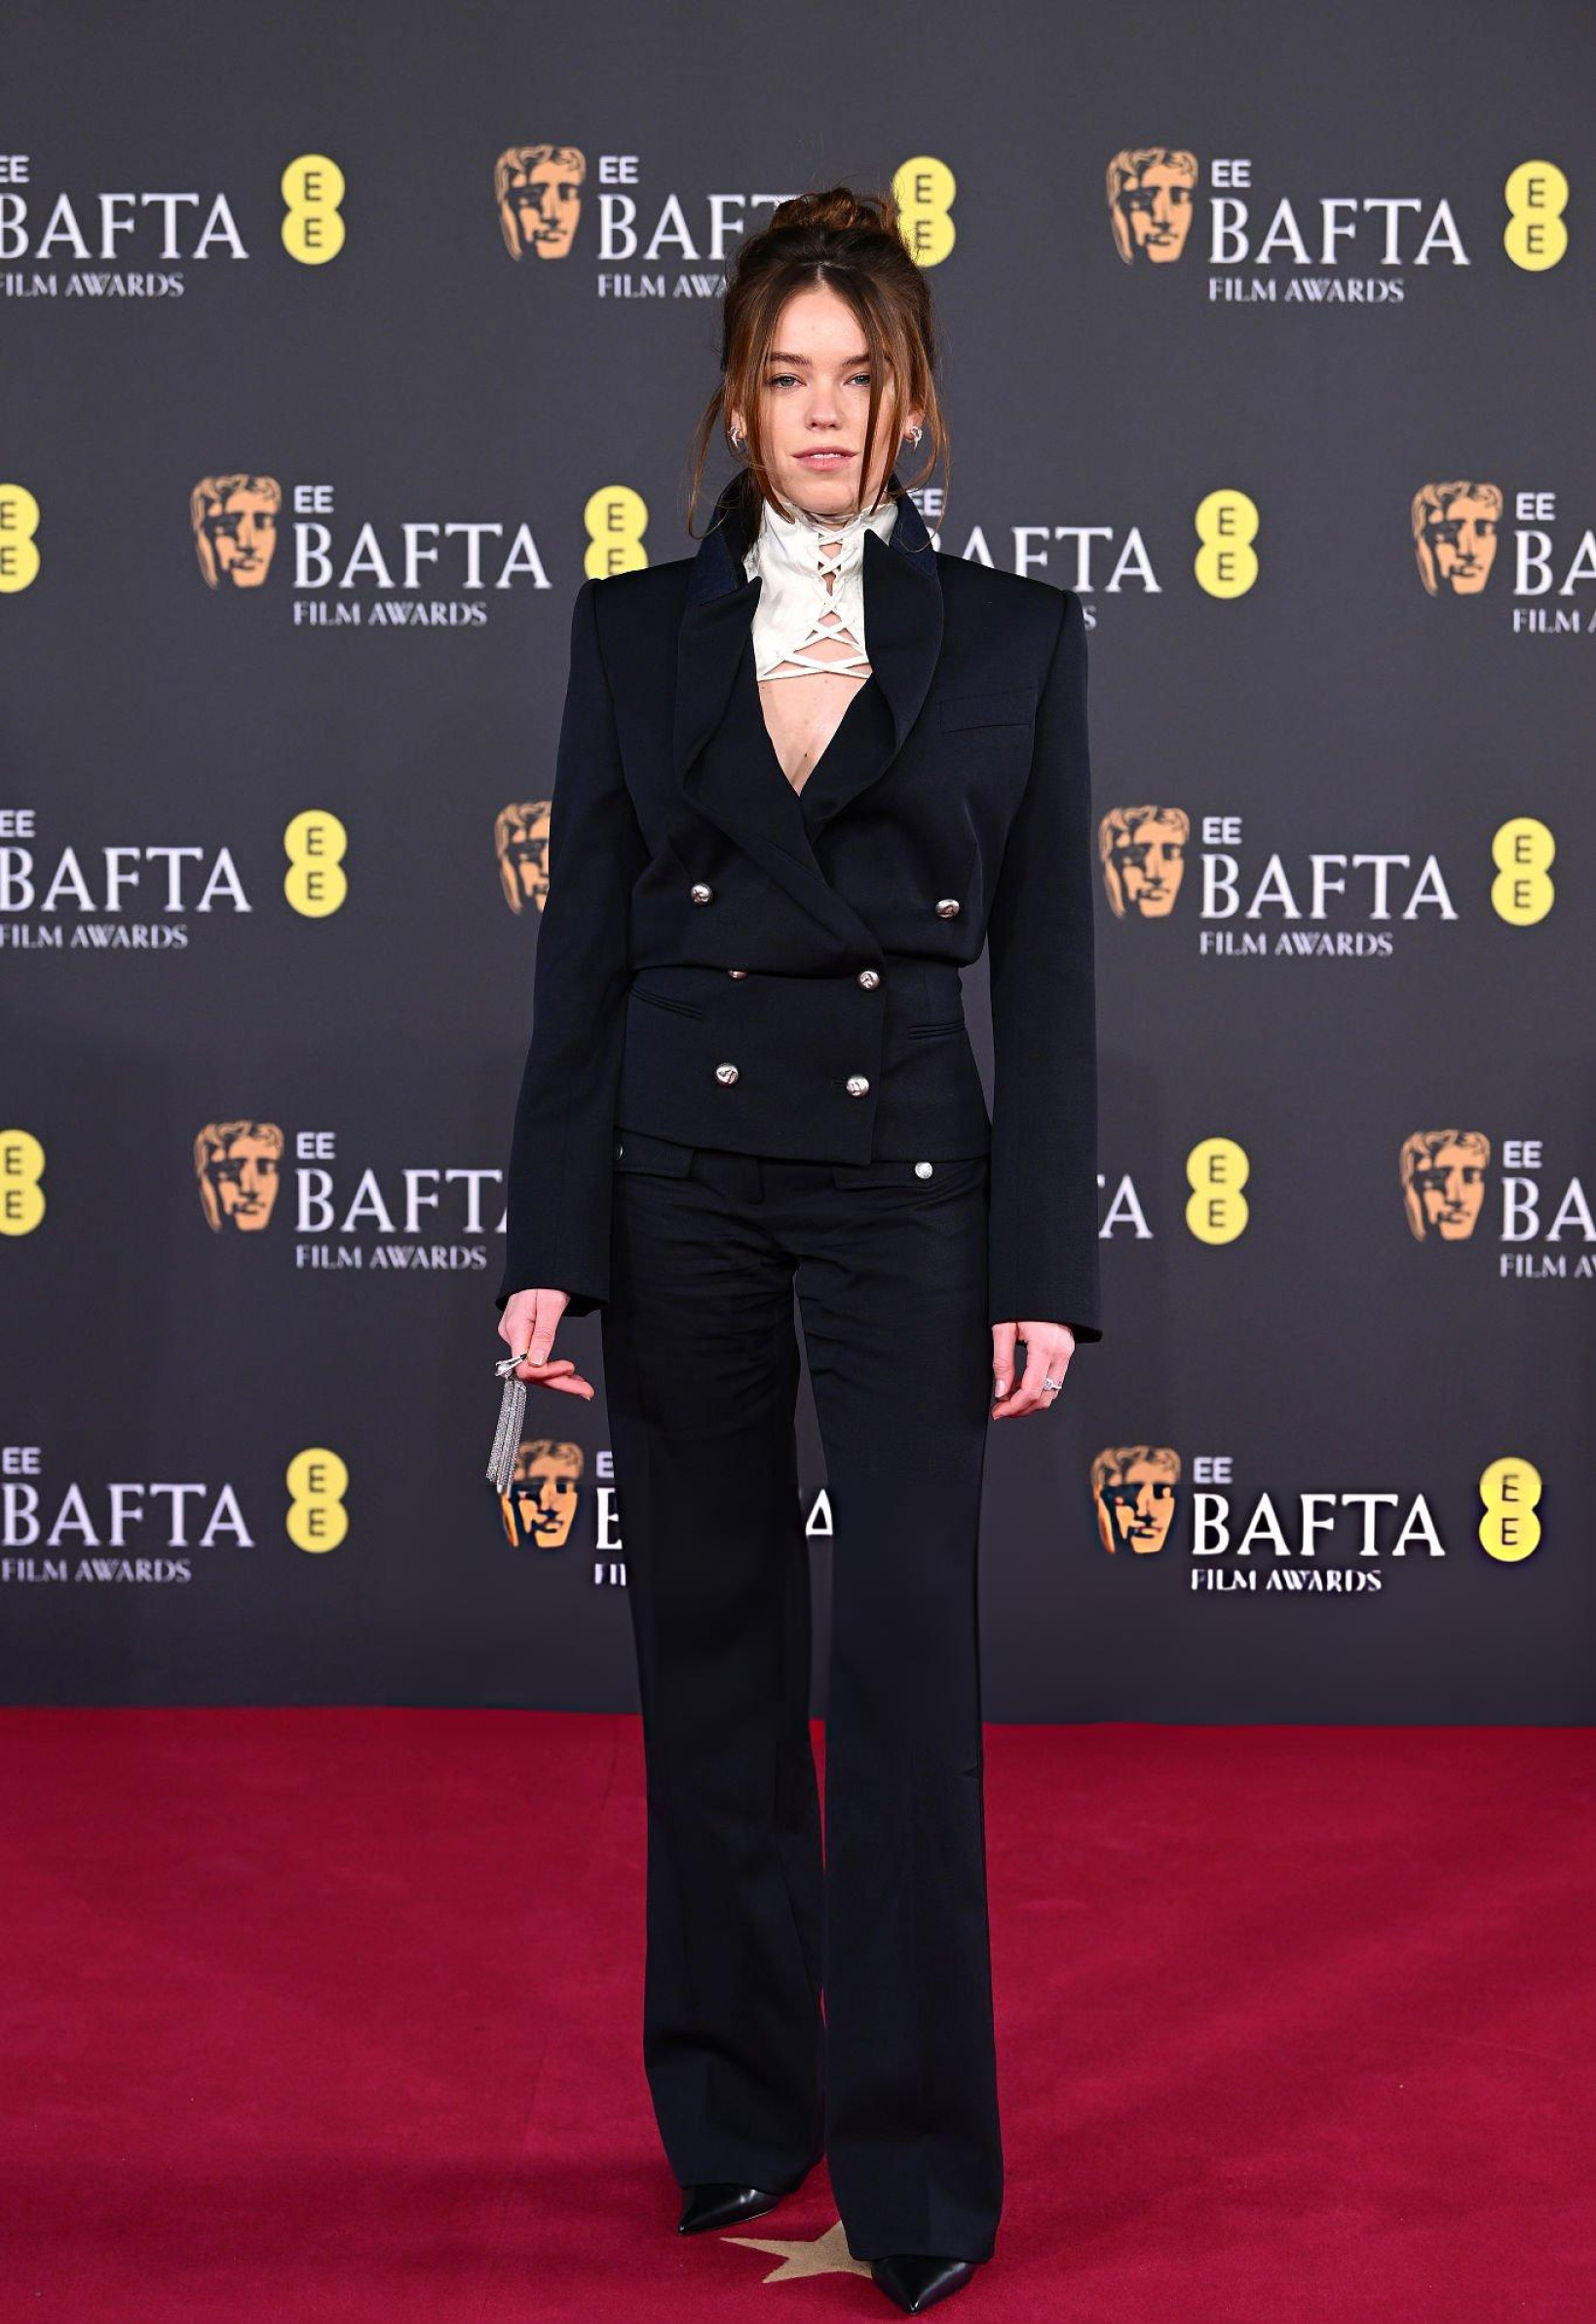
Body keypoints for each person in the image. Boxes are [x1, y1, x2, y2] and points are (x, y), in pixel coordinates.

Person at [495, 184, 1102, 2317]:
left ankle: (921, 2168)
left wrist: (1043, 1265)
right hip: (677, 1181)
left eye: (859, 375)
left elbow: (1052, 970)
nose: (824, 413)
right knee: (716, 1651)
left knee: (904, 1663)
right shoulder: (630, 631)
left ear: (909, 397)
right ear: (736, 403)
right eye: (786, 375)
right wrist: (548, 1241)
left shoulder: (1016, 637)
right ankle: (740, 2109)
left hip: (911, 1191)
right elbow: (582, 957)